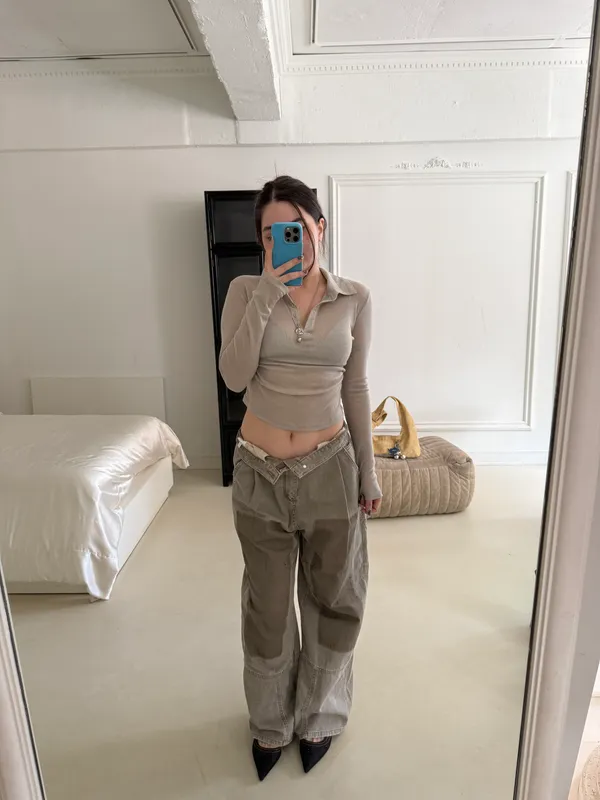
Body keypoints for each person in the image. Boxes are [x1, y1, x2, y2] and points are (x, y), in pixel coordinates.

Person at [219, 175, 382, 780]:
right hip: (258, 472)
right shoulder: (245, 290)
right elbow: (234, 376)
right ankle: (270, 722)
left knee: (335, 596)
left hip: (330, 467)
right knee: (266, 605)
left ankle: (320, 714)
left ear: (320, 227)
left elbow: (355, 387)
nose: (283, 241)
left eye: (296, 228)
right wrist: (267, 291)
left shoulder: (355, 297)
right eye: (270, 234)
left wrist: (369, 471)